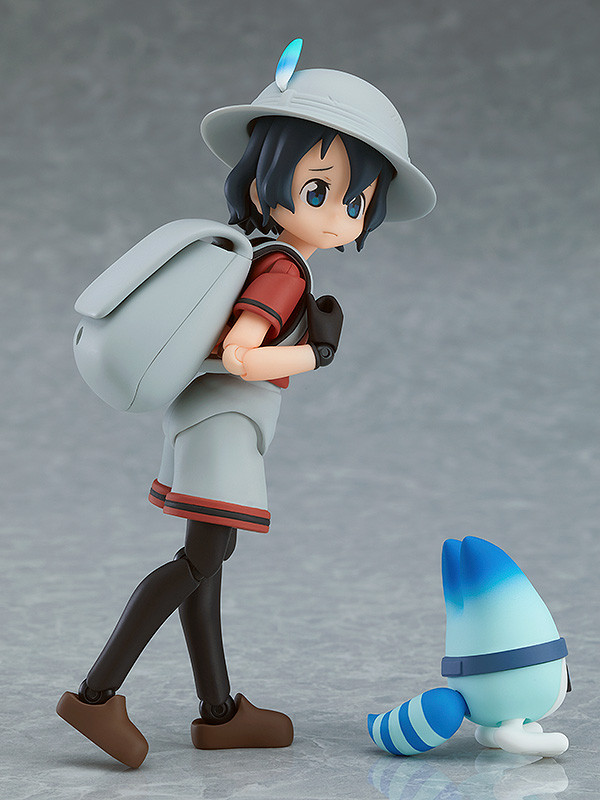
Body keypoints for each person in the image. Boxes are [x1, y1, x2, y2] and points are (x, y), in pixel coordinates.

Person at [57, 39, 436, 768]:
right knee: (196, 562)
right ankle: (96, 697)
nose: (339, 213)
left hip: (210, 422)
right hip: (224, 427)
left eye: (355, 201)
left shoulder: (262, 254)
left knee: (209, 560)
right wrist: (317, 353)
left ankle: (220, 711)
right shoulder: (283, 271)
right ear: (263, 184)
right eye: (318, 190)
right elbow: (240, 355)